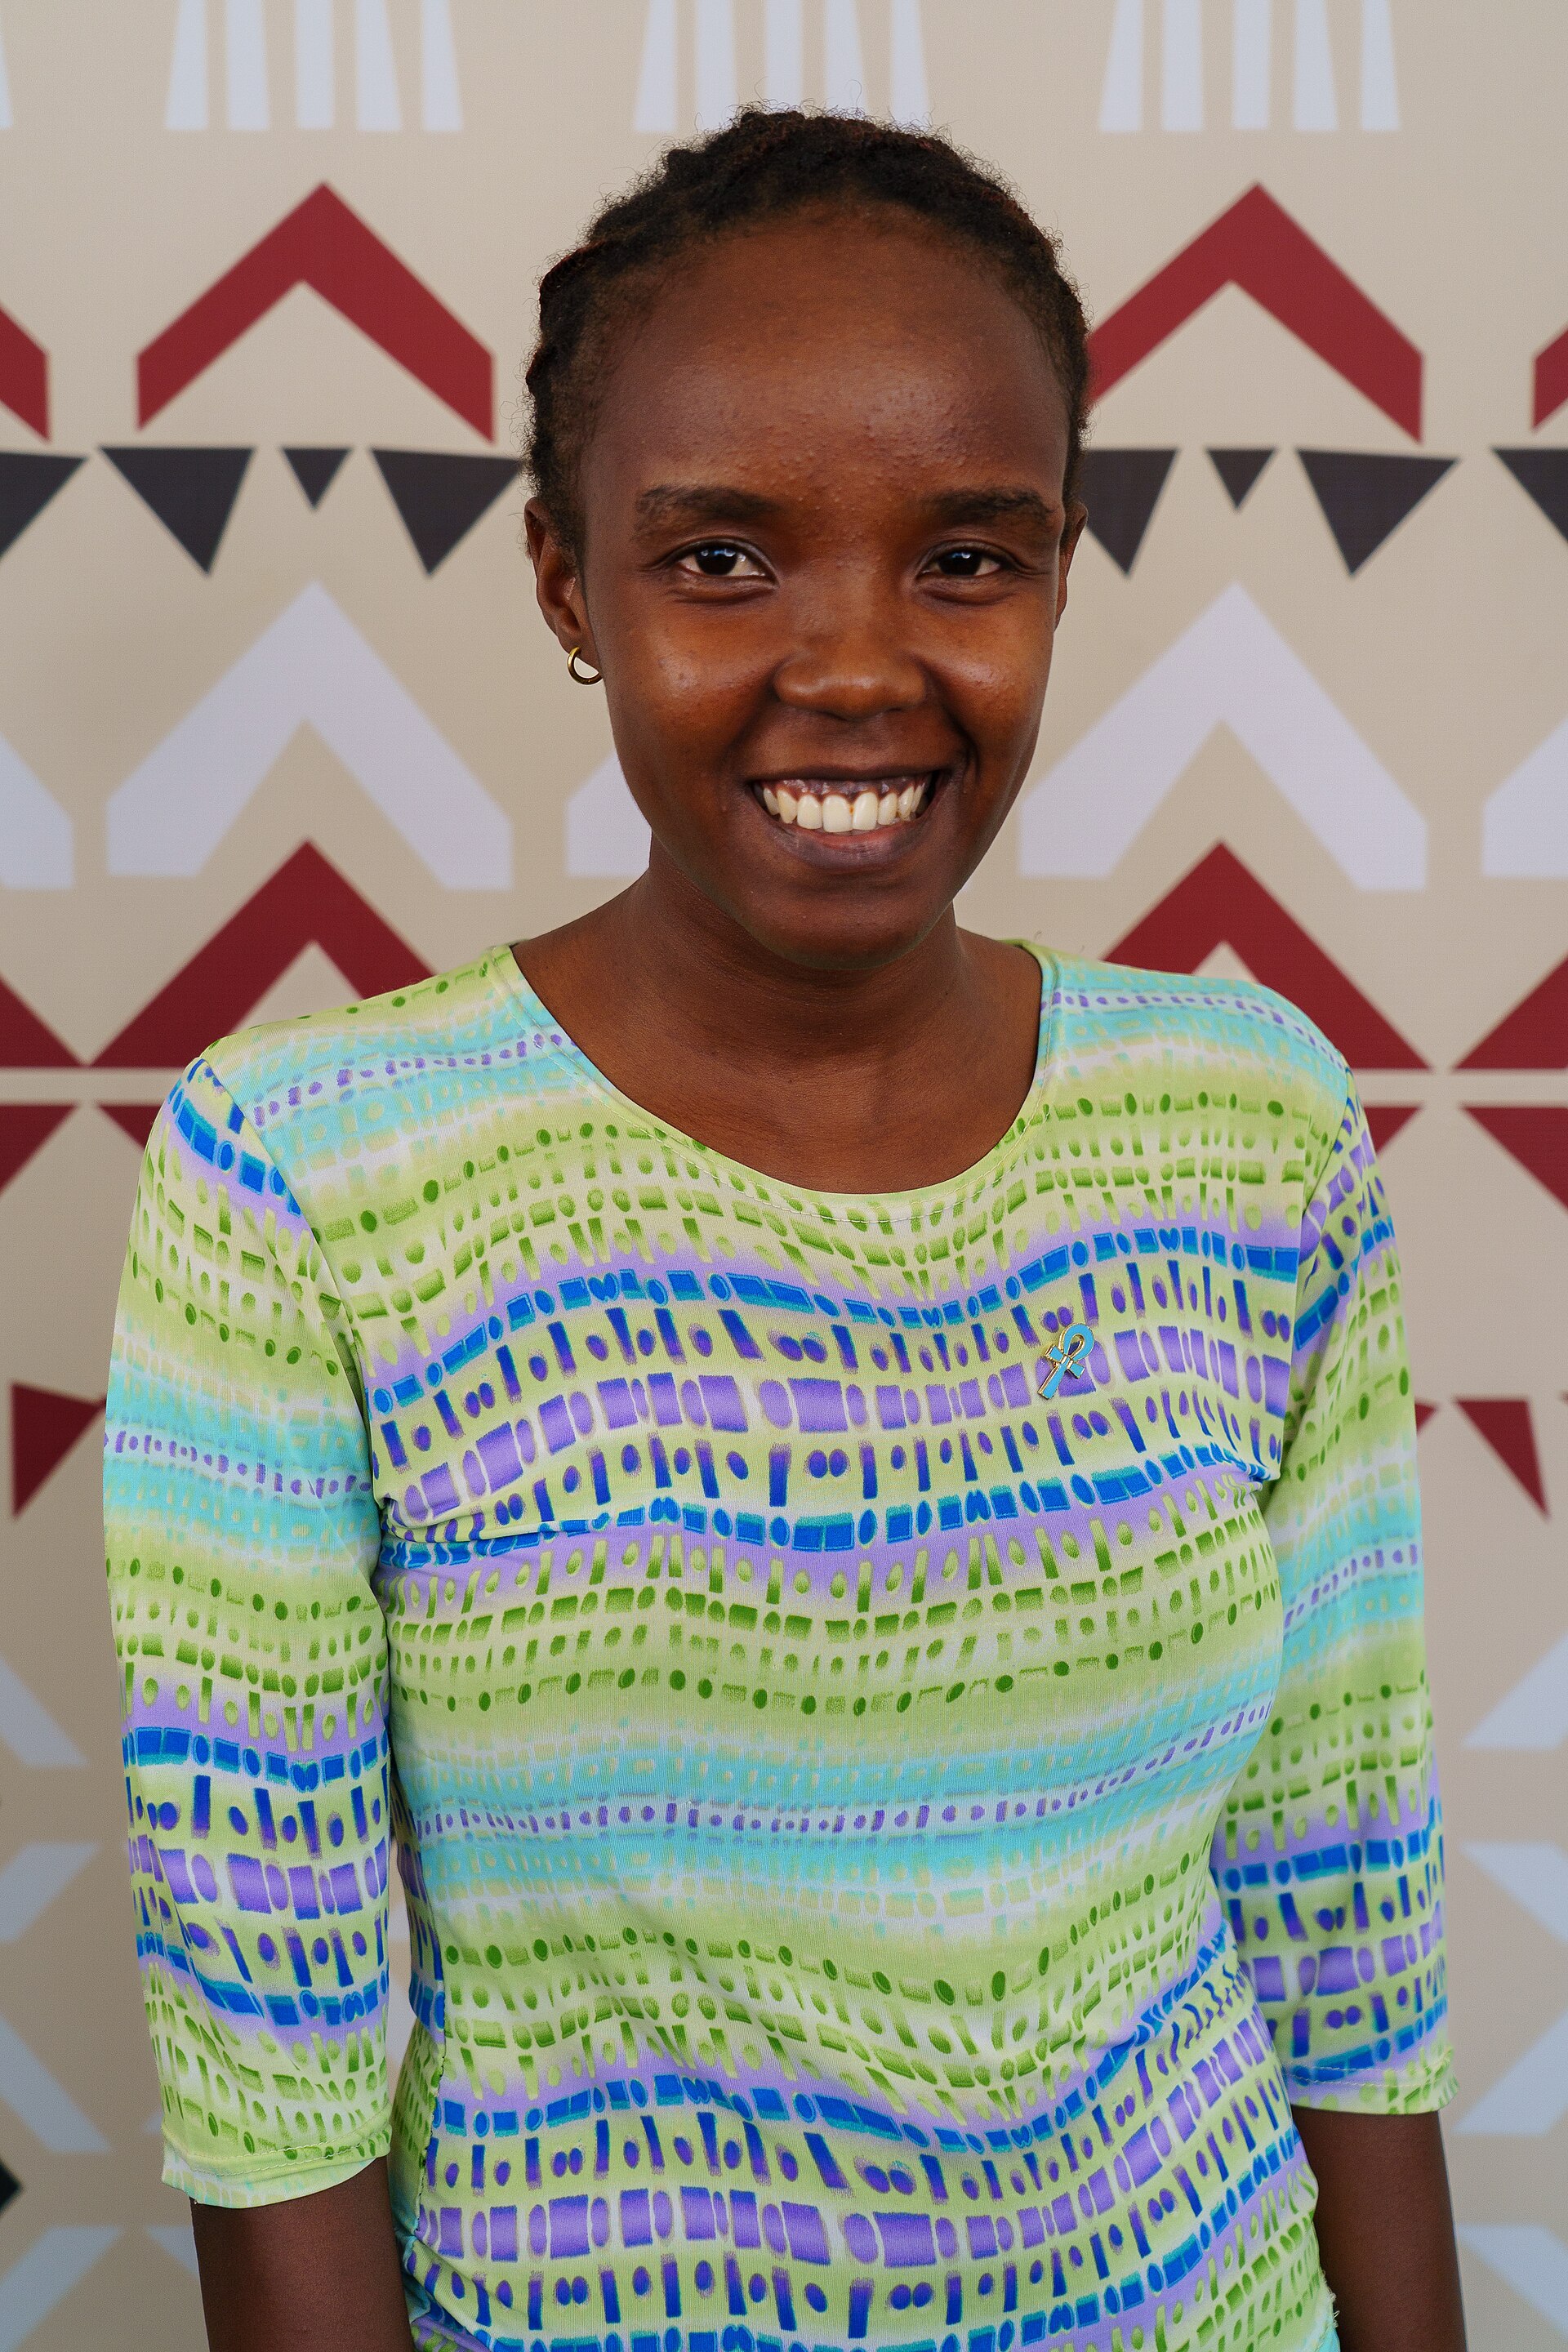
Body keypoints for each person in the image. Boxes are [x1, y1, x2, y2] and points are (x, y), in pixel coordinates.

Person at [105, 110, 1464, 2352]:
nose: (856, 666)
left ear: (1059, 570)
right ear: (567, 582)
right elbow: (275, 2046)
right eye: (723, 559)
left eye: (967, 557)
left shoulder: (1254, 1127)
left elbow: (1348, 1908)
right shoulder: (309, 1177)